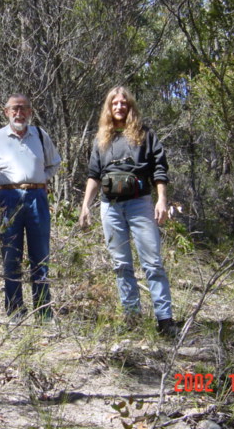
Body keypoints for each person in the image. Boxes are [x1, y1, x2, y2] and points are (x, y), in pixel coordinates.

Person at [78, 86, 178, 337]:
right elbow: (94, 175)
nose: (120, 107)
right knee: (121, 263)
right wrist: (85, 206)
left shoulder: (145, 135)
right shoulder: (102, 137)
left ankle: (165, 320)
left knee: (152, 261)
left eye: (124, 103)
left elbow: (159, 169)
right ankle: (132, 317)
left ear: (130, 106)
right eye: (115, 103)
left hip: (140, 203)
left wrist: (161, 200)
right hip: (110, 207)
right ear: (109, 108)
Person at [0, 94, 61, 322]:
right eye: (14, 109)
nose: (19, 113)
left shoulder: (40, 135)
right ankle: (15, 311)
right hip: (8, 198)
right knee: (10, 255)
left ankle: (43, 313)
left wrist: (41, 180)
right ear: (6, 112)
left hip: (37, 199)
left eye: (23, 109)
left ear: (30, 112)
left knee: (40, 256)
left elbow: (55, 163)